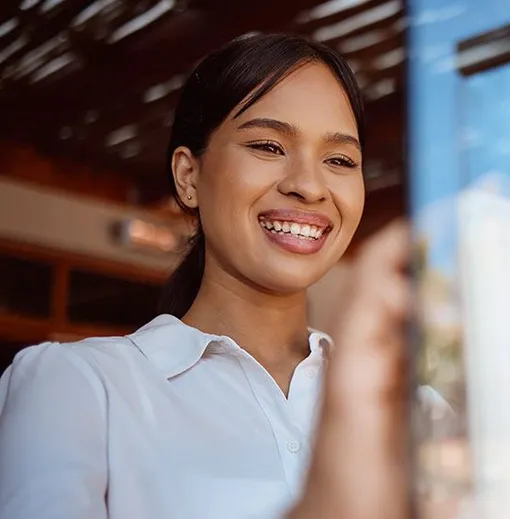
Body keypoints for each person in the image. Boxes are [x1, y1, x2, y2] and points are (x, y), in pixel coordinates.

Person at [0, 33, 411, 519]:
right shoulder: (76, 387)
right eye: (267, 145)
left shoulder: (411, 401)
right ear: (188, 177)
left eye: (340, 160)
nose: (308, 185)